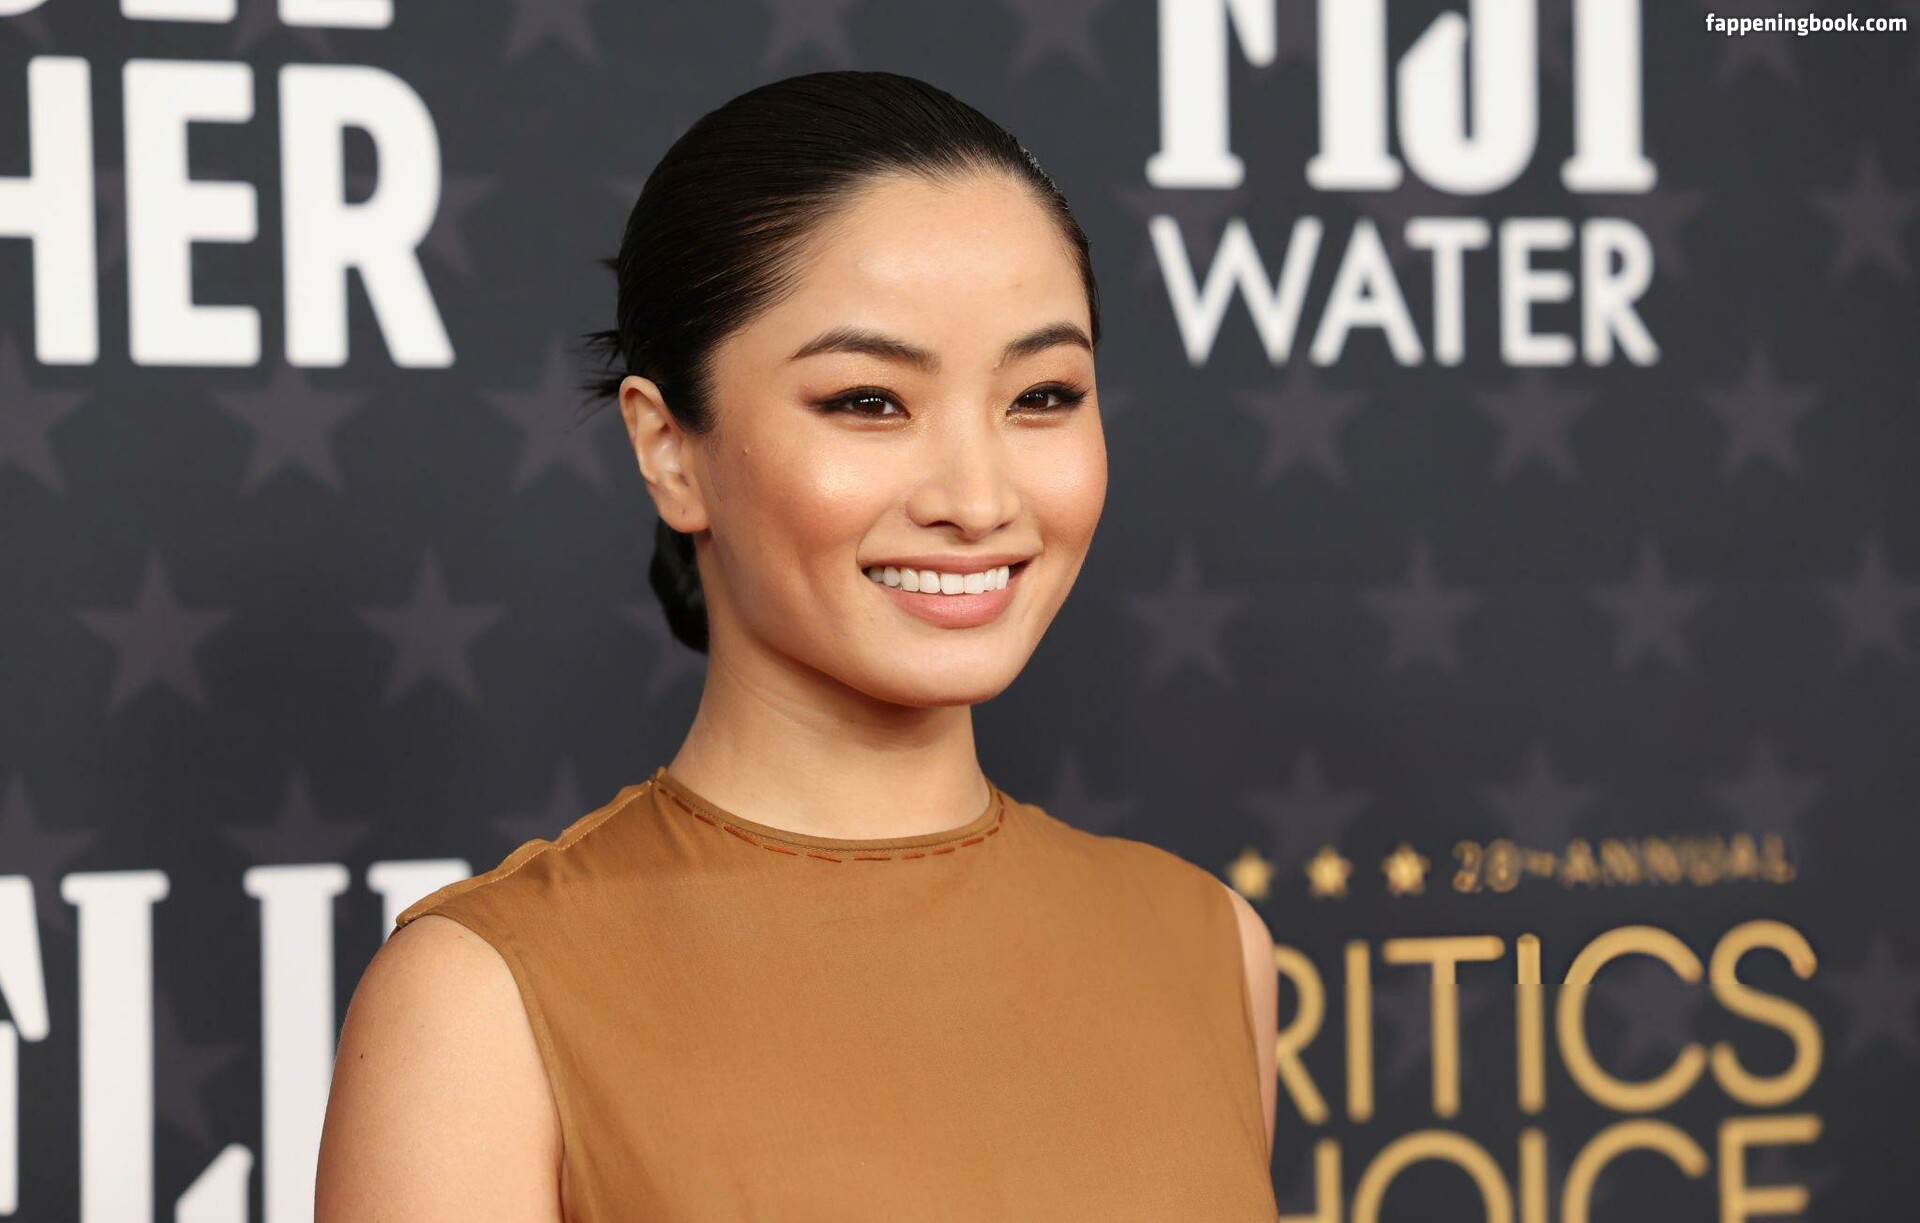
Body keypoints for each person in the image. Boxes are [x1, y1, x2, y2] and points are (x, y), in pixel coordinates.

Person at [314, 70, 1282, 1222]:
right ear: (669, 449)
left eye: (1042, 395)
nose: (978, 498)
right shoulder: (483, 999)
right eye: (870, 401)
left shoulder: (1207, 942)